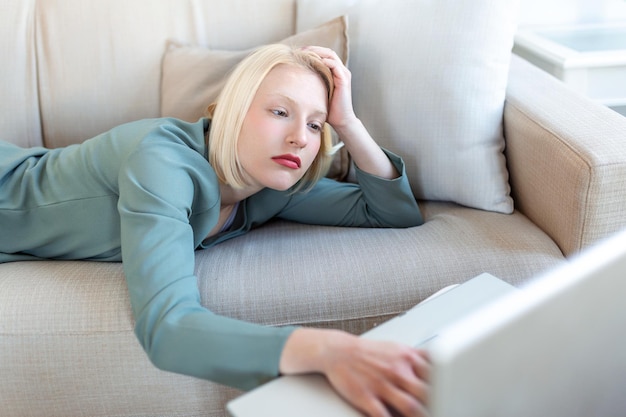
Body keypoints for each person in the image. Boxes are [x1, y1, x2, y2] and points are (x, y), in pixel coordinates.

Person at [0, 44, 428, 417]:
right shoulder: (161, 162)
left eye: (315, 124)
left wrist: (349, 123)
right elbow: (167, 329)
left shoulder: (274, 184)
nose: (300, 137)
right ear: (232, 111)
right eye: (280, 112)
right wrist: (328, 351)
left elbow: (390, 211)